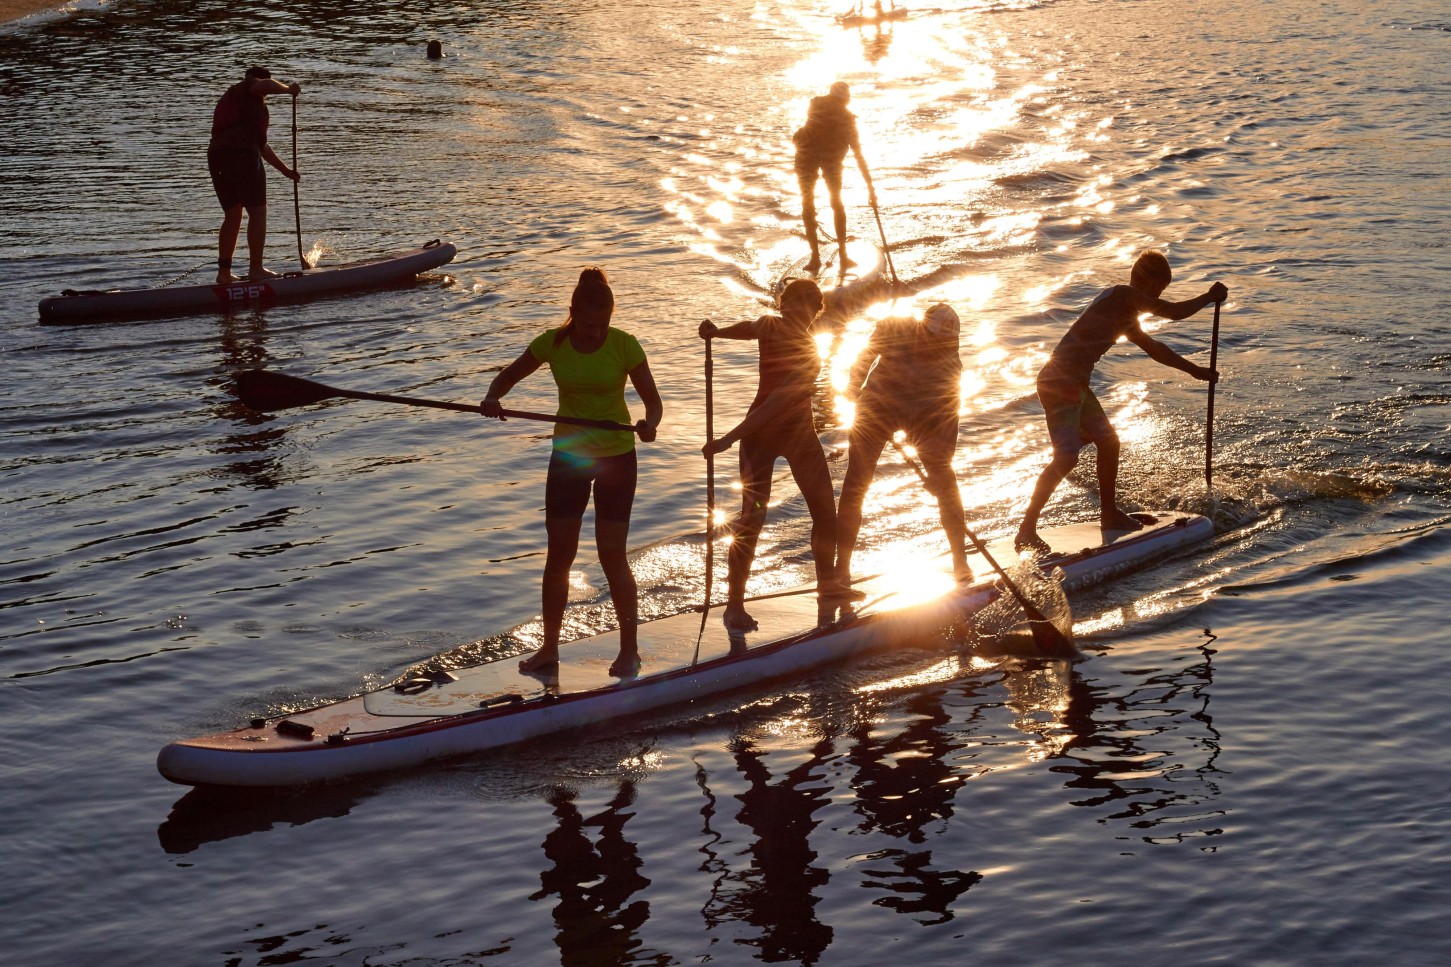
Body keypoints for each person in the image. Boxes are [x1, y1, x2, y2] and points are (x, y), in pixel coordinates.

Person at [481, 268, 663, 678]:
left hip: (616, 457)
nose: (597, 333)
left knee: (611, 555)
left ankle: (629, 652)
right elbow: (509, 376)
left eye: (604, 325)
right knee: (559, 557)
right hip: (569, 458)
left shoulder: (625, 346)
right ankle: (549, 650)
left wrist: (650, 424)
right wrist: (493, 396)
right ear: (573, 315)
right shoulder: (552, 343)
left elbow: (653, 401)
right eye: (589, 325)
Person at [1014, 251, 1228, 552]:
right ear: (1148, 280)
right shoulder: (1123, 295)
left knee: (1109, 442)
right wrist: (1208, 296)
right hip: (1059, 382)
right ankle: (1026, 530)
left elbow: (1155, 348)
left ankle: (1109, 514)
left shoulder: (1124, 313)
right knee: (1066, 457)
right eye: (1159, 288)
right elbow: (1173, 313)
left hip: (1075, 385)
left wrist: (1196, 372)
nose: (1157, 296)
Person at [699, 278, 855, 633]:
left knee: (825, 515)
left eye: (802, 309)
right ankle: (734, 606)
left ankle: (827, 587)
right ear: (781, 306)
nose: (791, 314)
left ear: (815, 314)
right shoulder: (770, 325)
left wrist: (727, 438)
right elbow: (749, 328)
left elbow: (776, 404)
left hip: (796, 435)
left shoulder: (811, 357)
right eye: (787, 306)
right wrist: (717, 332)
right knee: (751, 519)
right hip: (758, 438)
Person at [836, 303, 971, 587]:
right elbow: (864, 357)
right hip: (876, 408)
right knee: (857, 482)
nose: (938, 347)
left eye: (945, 343)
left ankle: (960, 559)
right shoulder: (894, 327)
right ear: (923, 327)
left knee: (945, 479)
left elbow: (948, 417)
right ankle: (841, 568)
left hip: (922, 414)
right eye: (934, 339)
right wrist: (853, 385)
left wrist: (939, 466)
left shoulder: (950, 363)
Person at [207, 66, 302, 285]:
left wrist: (285, 171)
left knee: (233, 215)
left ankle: (224, 274)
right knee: (258, 213)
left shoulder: (239, 100)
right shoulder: (250, 86)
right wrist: (289, 89)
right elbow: (265, 85)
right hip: (240, 156)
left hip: (217, 156)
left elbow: (262, 147)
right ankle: (256, 269)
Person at [793, 81, 876, 276]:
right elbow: (858, 155)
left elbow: (856, 153)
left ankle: (816, 257)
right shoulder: (846, 120)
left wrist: (870, 188)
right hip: (813, 158)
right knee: (833, 203)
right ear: (847, 100)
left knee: (810, 204)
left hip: (808, 159)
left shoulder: (817, 107)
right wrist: (870, 188)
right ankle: (839, 256)